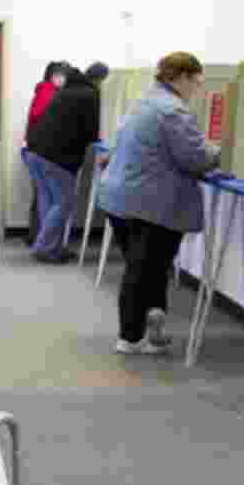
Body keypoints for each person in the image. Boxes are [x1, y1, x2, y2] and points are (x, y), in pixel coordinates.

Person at [97, 52, 220, 355]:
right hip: (150, 203)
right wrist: (217, 150)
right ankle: (131, 337)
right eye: (196, 81)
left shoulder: (143, 102)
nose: (197, 89)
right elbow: (195, 158)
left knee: (144, 269)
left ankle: (152, 331)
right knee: (144, 272)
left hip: (121, 198)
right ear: (180, 77)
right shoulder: (173, 111)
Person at [26, 61, 110, 263]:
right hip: (57, 156)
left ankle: (52, 247)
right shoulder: (90, 94)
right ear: (100, 80)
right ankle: (44, 247)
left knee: (51, 202)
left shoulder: (68, 89)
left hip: (35, 150)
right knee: (64, 203)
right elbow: (91, 130)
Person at [23, 61, 70, 245]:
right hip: (43, 152)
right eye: (62, 75)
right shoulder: (48, 92)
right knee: (50, 199)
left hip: (35, 150)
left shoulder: (44, 90)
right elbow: (42, 117)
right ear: (55, 76)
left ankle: (37, 238)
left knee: (43, 197)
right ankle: (44, 242)